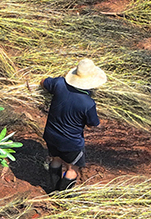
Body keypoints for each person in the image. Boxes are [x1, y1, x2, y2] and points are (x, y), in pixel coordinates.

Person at [41, 58, 106, 192]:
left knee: (56, 160)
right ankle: (62, 196)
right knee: (72, 169)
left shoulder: (59, 84)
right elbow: (93, 124)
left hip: (51, 135)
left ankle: (52, 190)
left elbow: (43, 82)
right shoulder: (88, 103)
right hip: (71, 143)